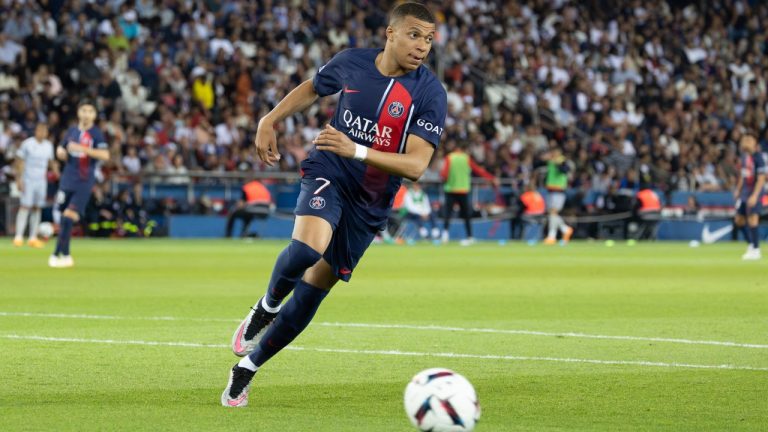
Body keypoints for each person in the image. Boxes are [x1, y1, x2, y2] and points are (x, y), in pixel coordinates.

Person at [222, 3, 447, 407]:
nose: (422, 46)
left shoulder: (429, 92)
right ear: (390, 33)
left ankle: (248, 368)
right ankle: (266, 306)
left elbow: (415, 165)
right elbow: (313, 87)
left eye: (429, 39)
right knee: (307, 248)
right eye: (414, 35)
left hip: (372, 200)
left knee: (312, 293)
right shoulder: (351, 63)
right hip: (330, 168)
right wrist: (269, 119)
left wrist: (357, 148)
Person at [49, 100, 110, 268]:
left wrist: (84, 149)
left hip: (84, 181)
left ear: (94, 115)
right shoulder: (72, 131)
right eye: (84, 110)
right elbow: (62, 148)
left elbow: (105, 155)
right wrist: (60, 152)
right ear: (78, 112)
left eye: (90, 111)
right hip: (67, 179)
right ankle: (65, 256)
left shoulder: (96, 134)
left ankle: (57, 254)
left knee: (69, 216)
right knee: (63, 217)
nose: (86, 114)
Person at [440, 140, 497, 246]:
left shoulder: (449, 157)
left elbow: (444, 174)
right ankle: (469, 236)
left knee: (448, 214)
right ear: (464, 149)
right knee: (466, 215)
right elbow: (478, 171)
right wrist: (491, 178)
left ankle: (445, 235)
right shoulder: (466, 158)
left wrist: (446, 179)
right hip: (463, 190)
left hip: (450, 189)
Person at [13, 123, 57, 248]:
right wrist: (19, 179)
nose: (42, 133)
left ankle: (32, 237)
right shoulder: (28, 144)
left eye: (45, 131)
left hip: (41, 181)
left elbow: (51, 161)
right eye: (40, 131)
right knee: (25, 206)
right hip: (28, 179)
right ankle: (18, 236)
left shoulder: (48, 146)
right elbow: (19, 162)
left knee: (37, 208)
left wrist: (56, 172)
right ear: (36, 131)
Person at [733, 133, 765, 260]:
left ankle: (756, 250)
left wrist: (755, 195)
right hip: (745, 193)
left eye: (749, 140)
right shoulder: (745, 157)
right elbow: (743, 175)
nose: (745, 142)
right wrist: (738, 190)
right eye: (744, 139)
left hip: (754, 192)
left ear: (754, 143)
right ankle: (751, 244)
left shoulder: (758, 158)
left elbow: (761, 178)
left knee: (752, 219)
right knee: (739, 220)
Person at [542, 147, 575, 245]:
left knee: (553, 213)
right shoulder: (550, 162)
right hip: (550, 190)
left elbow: (565, 170)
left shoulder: (563, 162)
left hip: (558, 190)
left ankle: (552, 236)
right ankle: (565, 229)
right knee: (552, 214)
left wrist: (558, 163)